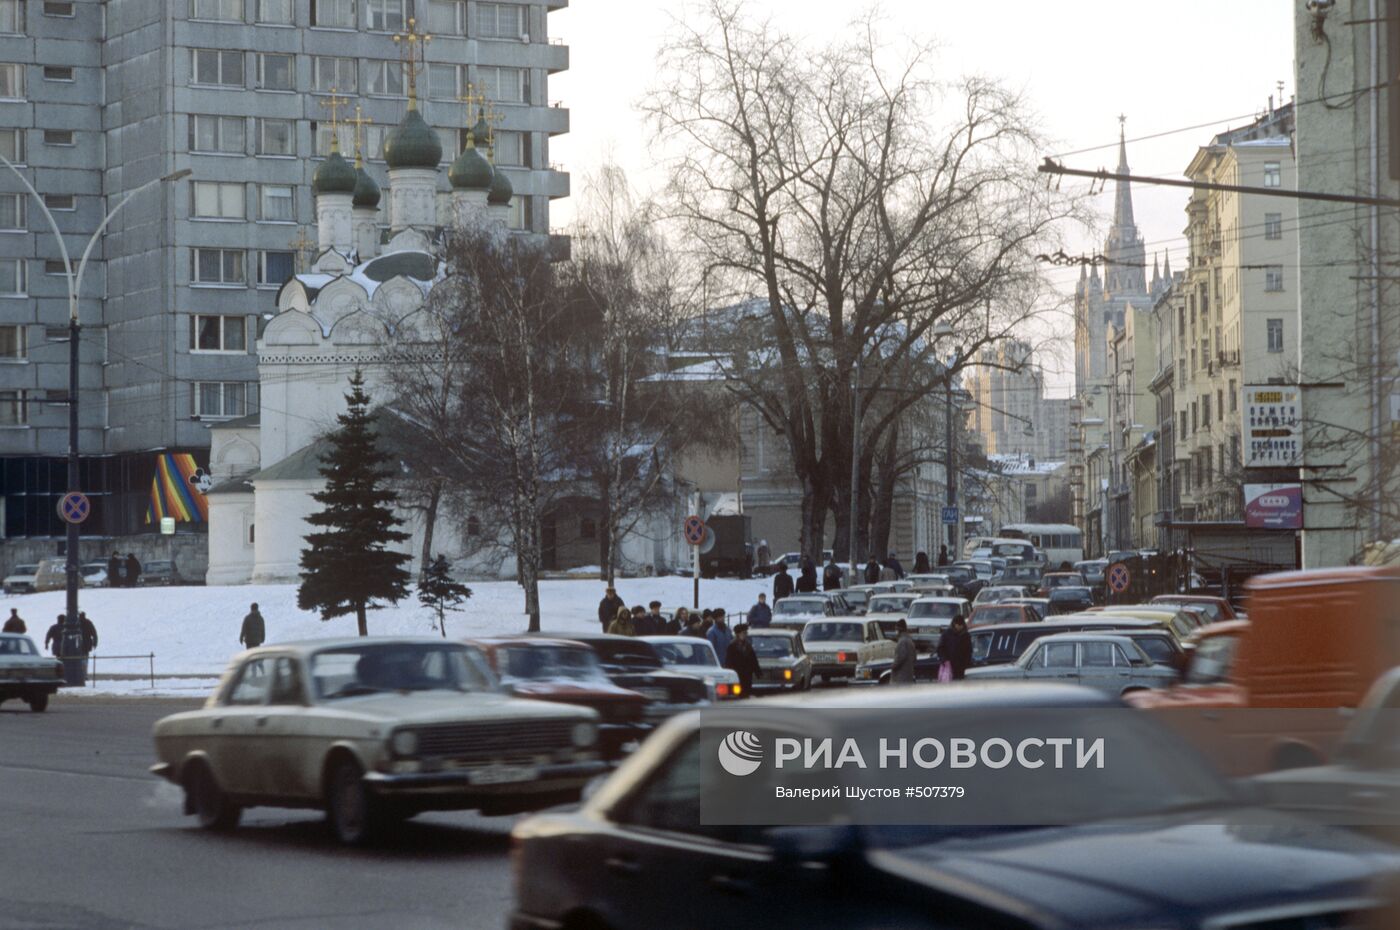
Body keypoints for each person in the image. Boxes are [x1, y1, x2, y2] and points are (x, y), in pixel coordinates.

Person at [724, 624, 761, 698]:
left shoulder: (748, 645)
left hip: (747, 674)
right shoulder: (732, 646)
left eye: (746, 633)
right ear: (738, 634)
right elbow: (729, 661)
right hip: (738, 673)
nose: (745, 635)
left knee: (747, 692)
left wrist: (757, 671)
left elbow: (753, 659)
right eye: (744, 633)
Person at [936, 615, 973, 681]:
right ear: (954, 624)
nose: (959, 626)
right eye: (957, 624)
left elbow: (969, 650)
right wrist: (945, 660)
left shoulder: (966, 635)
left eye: (960, 625)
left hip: (962, 667)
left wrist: (967, 663)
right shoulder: (947, 634)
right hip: (949, 665)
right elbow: (940, 648)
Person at [890, 619, 916, 685]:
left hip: (901, 677)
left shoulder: (902, 641)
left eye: (896, 629)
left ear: (899, 630)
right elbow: (914, 657)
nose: (895, 632)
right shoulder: (910, 640)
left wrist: (893, 666)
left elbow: (900, 657)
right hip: (909, 674)